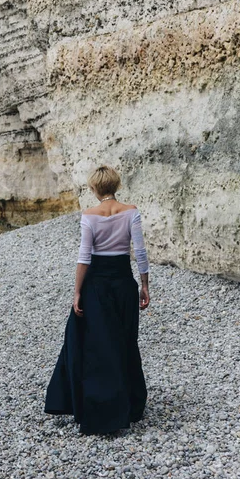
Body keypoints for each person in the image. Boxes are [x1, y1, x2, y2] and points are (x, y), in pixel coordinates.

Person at [44, 165, 150, 435]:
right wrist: (145, 286)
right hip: (124, 284)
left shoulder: (89, 215)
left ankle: (98, 410)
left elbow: (84, 257)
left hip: (97, 286)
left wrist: (77, 291)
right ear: (117, 185)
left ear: (93, 189)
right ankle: (131, 405)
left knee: (93, 343)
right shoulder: (131, 211)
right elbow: (140, 252)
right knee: (126, 342)